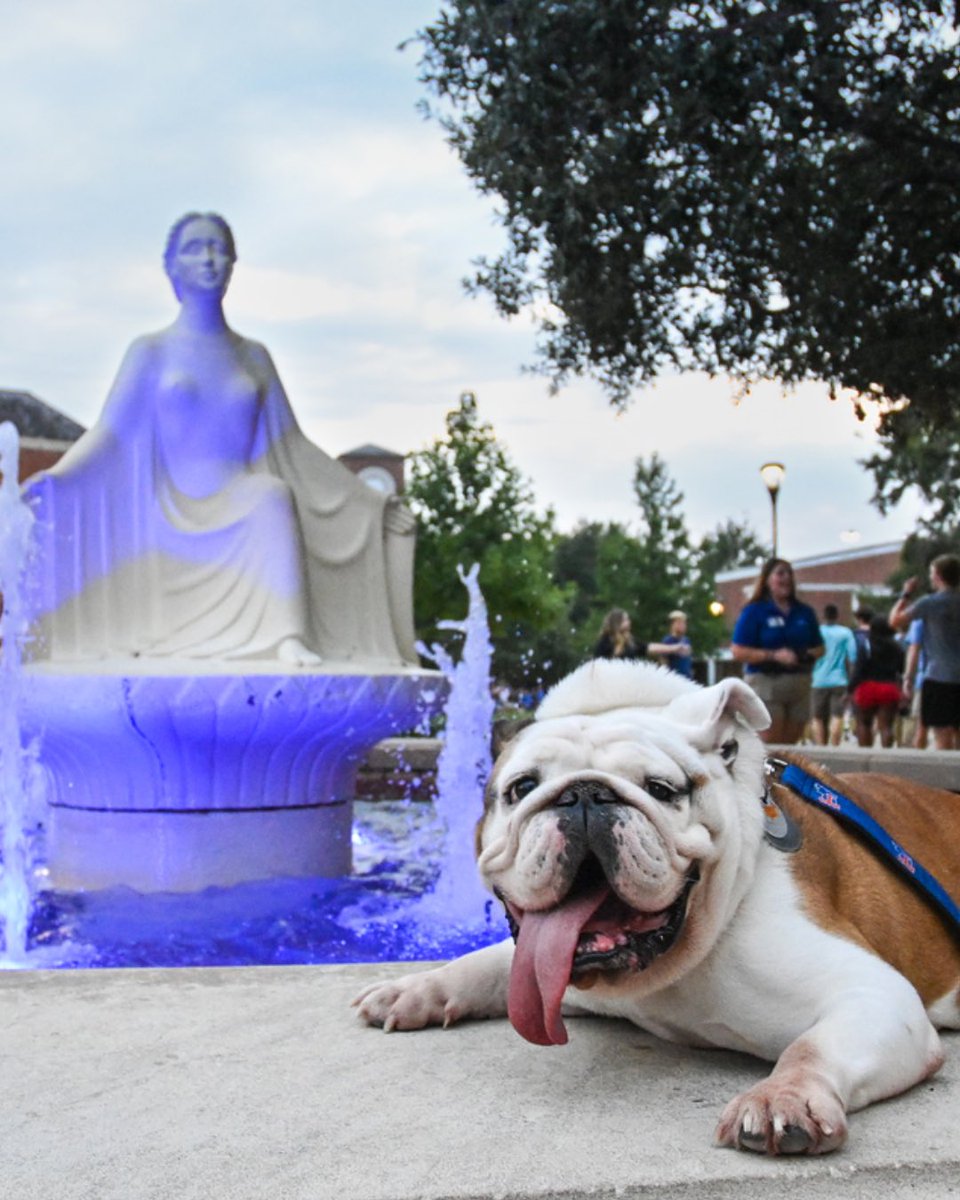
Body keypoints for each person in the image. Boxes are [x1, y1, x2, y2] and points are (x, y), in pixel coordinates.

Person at [26, 213, 417, 667]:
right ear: (170, 265)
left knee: (271, 496)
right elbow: (110, 436)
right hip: (165, 513)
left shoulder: (254, 356)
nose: (209, 259)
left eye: (219, 249)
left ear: (233, 263)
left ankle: (284, 635)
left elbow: (293, 448)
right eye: (195, 248)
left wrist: (372, 505)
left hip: (240, 498)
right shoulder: (150, 352)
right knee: (267, 498)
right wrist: (54, 480)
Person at [730, 558, 824, 744]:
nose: (786, 578)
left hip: (799, 683)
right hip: (766, 682)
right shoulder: (755, 611)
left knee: (790, 747)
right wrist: (772, 655)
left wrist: (803, 654)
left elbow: (819, 647)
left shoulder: (804, 612)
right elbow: (738, 651)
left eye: (789, 573)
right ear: (767, 579)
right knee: (771, 744)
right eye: (780, 573)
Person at [889, 553, 960, 749]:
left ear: (937, 576)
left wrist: (906, 593)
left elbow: (895, 621)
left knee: (941, 735)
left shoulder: (929, 603)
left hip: (938, 676)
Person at [849, 615, 904, 748]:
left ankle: (865, 753)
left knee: (863, 723)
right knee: (886, 726)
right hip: (889, 687)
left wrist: (850, 688)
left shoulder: (866, 645)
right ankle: (886, 754)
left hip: (867, 687)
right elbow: (901, 668)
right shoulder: (897, 646)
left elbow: (859, 669)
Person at [809, 604, 857, 746]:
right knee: (837, 715)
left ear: (824, 616)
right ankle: (834, 746)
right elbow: (853, 656)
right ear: (837, 616)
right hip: (839, 679)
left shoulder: (816, 632)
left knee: (817, 717)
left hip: (818, 679)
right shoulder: (846, 633)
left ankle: (820, 746)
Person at [592, 608, 692, 665]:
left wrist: (674, 648)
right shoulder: (605, 641)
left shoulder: (630, 641)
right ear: (617, 622)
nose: (629, 622)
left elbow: (649, 647)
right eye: (626, 620)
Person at [902, 618, 928, 749]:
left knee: (920, 725)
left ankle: (916, 762)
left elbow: (914, 650)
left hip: (927, 678)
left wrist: (908, 678)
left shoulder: (920, 620)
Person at [660, 609, 693, 678]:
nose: (682, 625)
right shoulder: (668, 641)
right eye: (679, 623)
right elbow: (664, 663)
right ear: (672, 625)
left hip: (687, 679)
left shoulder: (686, 640)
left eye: (684, 623)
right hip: (674, 680)